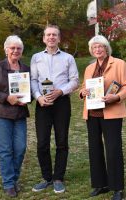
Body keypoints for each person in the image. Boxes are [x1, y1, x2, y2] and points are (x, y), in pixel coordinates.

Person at [79, 35, 126, 200]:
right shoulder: (89, 68)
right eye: (94, 48)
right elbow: (83, 88)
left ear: (106, 47)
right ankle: (100, 184)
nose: (97, 50)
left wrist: (116, 98)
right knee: (94, 149)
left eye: (100, 47)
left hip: (112, 113)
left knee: (113, 150)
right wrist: (83, 92)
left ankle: (117, 188)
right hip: (92, 114)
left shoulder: (119, 64)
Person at [30, 24, 79, 193]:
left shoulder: (68, 58)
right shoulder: (36, 57)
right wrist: (38, 97)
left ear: (59, 38)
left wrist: (60, 91)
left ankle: (58, 177)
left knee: (61, 141)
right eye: (48, 35)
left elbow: (74, 81)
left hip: (61, 103)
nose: (51, 37)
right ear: (44, 38)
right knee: (42, 142)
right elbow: (33, 80)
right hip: (42, 103)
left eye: (54, 35)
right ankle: (46, 177)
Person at [0, 35, 30, 198]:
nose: (15, 51)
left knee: (20, 148)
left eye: (18, 48)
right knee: (5, 150)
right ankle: (9, 183)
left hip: (19, 115)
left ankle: (14, 178)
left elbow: (29, 89)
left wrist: (27, 98)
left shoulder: (25, 68)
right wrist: (6, 97)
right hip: (1, 114)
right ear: (6, 50)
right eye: (12, 48)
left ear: (22, 51)